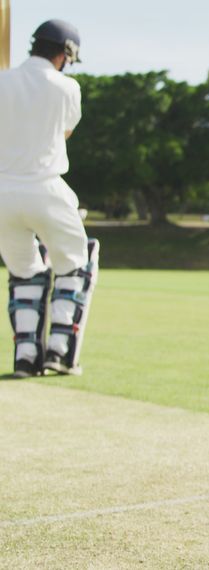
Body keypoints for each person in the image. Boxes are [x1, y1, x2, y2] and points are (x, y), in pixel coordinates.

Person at [1, 19, 99, 378]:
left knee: (24, 273)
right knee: (75, 263)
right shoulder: (68, 88)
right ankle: (59, 351)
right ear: (66, 54)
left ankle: (26, 357)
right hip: (46, 189)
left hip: (2, 194)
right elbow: (66, 132)